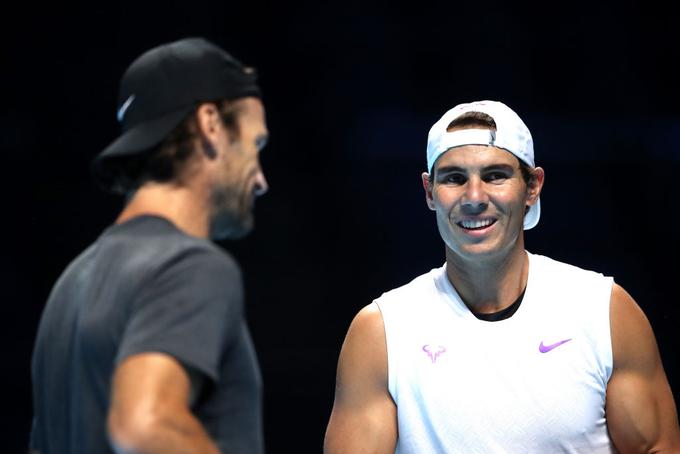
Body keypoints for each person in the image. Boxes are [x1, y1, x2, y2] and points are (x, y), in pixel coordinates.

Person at [324, 100, 680, 453]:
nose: (474, 197)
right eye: (454, 178)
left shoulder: (604, 311)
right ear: (429, 191)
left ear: (533, 186)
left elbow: (656, 447)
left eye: (495, 176)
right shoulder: (382, 332)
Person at [30, 37, 269, 454]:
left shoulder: (69, 285)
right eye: (255, 146)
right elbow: (144, 425)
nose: (262, 180)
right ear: (210, 124)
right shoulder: (191, 266)